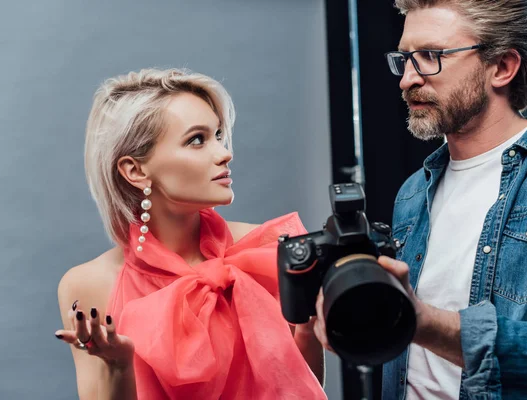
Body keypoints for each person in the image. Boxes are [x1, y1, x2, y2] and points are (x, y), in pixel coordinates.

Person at [313, 0, 527, 398]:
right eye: (405, 59)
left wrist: (424, 322)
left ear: (501, 67)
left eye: (430, 56)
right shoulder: (414, 193)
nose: (407, 80)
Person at [54, 68, 326, 400]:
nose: (225, 153)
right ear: (135, 170)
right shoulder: (90, 284)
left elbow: (303, 386)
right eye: (197, 139)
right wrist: (120, 367)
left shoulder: (263, 251)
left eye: (218, 134)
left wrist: (309, 331)